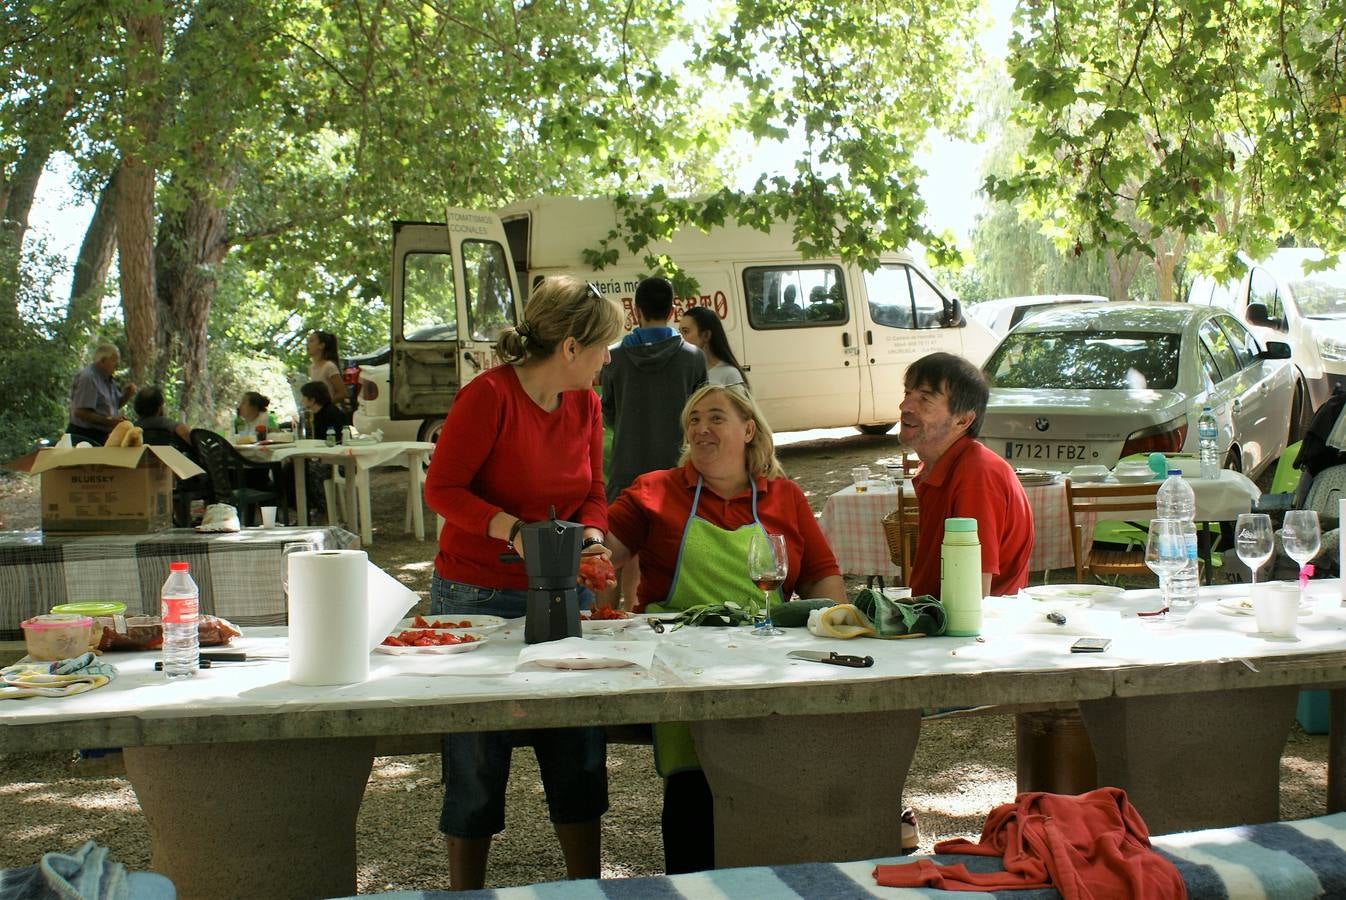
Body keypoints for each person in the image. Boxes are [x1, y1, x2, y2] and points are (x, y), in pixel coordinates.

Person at [422, 275, 623, 890]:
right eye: (602, 347)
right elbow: (442, 489)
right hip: (477, 595)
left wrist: (590, 538)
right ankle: (467, 891)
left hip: (565, 591)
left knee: (577, 747)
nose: (607, 359)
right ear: (569, 347)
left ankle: (584, 886)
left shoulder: (585, 404)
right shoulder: (488, 397)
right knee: (478, 755)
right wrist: (513, 531)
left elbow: (591, 490)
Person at [604, 383, 844, 873]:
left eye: (715, 418)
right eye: (693, 420)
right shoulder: (653, 490)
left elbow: (823, 580)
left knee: (771, 788)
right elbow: (602, 556)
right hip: (682, 669)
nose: (701, 428)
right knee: (694, 796)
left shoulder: (786, 496)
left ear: (749, 429)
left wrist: (835, 630)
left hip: (768, 665)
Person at [900, 352, 1033, 599]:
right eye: (908, 394)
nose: (905, 406)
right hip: (938, 618)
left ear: (962, 420)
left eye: (925, 398)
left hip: (973, 627)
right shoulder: (938, 466)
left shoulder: (977, 473)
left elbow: (974, 593)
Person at [67, 343, 136, 446]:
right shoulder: (89, 377)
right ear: (103, 360)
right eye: (114, 360)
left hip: (101, 436)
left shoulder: (107, 379)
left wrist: (127, 395)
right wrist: (110, 422)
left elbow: (114, 406)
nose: (118, 364)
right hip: (83, 436)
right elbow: (81, 412)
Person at [677, 305, 748, 389]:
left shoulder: (729, 374)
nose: (680, 337)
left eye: (685, 331)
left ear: (706, 335)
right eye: (679, 332)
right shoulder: (686, 372)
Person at [306, 330, 352, 421]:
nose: (307, 345)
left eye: (311, 341)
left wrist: (325, 405)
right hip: (318, 414)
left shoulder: (329, 366)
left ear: (321, 345)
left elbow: (343, 393)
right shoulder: (311, 368)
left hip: (331, 414)